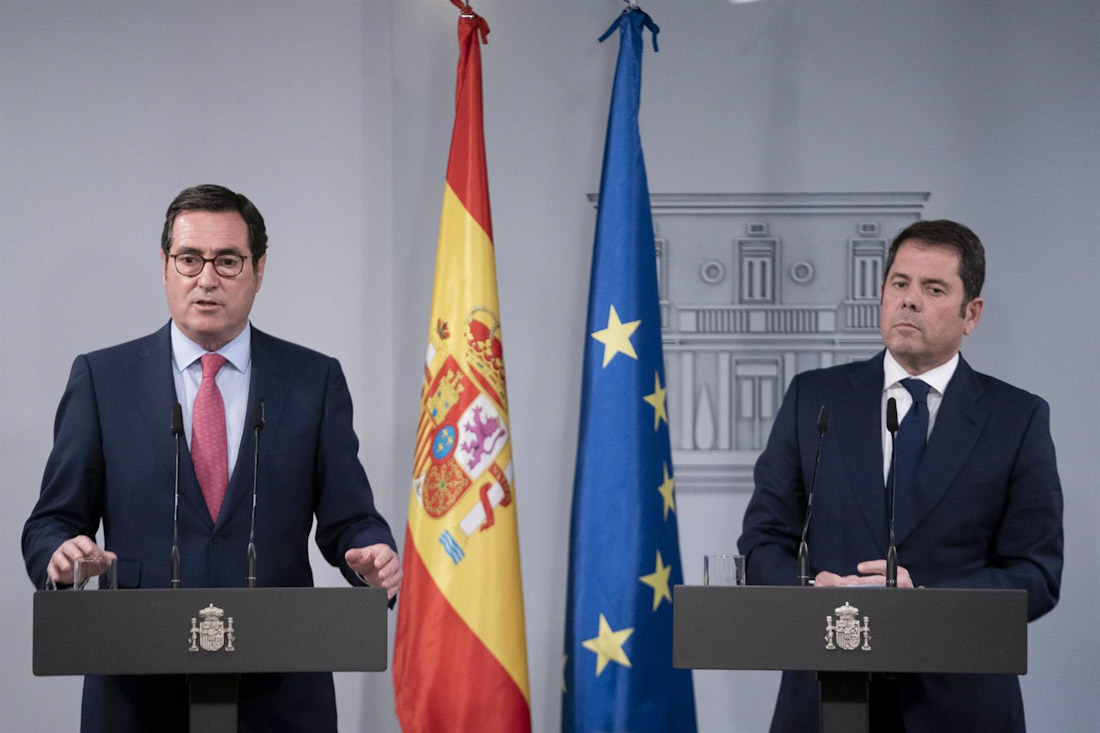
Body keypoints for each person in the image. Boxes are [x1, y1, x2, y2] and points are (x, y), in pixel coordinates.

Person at [22, 184, 403, 732]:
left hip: (281, 692)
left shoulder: (312, 380)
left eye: (227, 261)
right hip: (136, 694)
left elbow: (351, 518)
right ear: (164, 265)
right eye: (189, 259)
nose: (206, 279)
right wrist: (60, 555)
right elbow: (52, 521)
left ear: (259, 268)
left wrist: (372, 554)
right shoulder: (103, 380)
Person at [738, 220, 1063, 732]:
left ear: (970, 313)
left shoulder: (1016, 419)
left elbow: (1036, 574)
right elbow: (763, 541)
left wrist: (924, 604)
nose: (910, 300)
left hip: (959, 710)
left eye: (933, 289)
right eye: (900, 283)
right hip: (826, 701)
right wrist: (812, 597)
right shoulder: (814, 399)